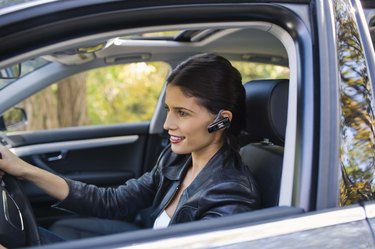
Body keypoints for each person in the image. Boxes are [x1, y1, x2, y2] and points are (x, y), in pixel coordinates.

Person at [0, 53, 260, 244]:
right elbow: (110, 202)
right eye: (169, 110)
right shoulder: (176, 160)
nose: (168, 124)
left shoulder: (231, 194)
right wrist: (22, 170)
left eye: (182, 113)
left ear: (222, 119)